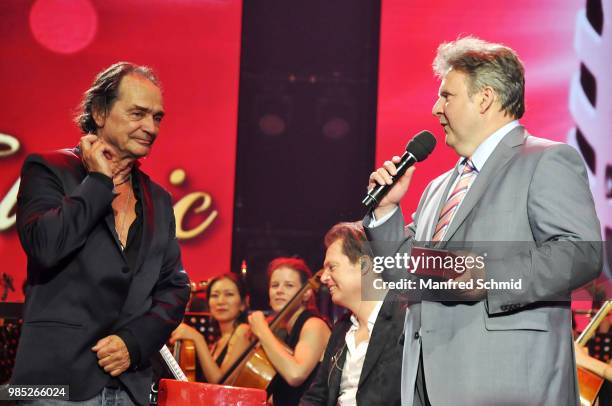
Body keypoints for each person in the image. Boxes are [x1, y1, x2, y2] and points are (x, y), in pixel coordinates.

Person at [365, 36, 602, 405]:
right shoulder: (437, 188)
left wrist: (491, 276)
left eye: (447, 96)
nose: (435, 109)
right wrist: (384, 212)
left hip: (504, 383)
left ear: (485, 97)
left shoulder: (545, 160)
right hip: (427, 382)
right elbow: (402, 275)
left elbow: (581, 253)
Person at [11, 62, 190, 405]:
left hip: (131, 387)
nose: (150, 127)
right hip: (51, 386)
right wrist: (98, 182)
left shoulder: (160, 200)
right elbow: (47, 246)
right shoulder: (47, 169)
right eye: (138, 113)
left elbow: (175, 288)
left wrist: (135, 342)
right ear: (99, 111)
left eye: (157, 117)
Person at [300, 222, 405, 406]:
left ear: (364, 265)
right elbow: (316, 397)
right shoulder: (342, 329)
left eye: (331, 267)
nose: (323, 277)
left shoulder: (405, 320)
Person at [248, 257, 331, 405]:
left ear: (306, 293)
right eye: (274, 285)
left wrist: (262, 330)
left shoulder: (314, 325)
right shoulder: (284, 332)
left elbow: (295, 374)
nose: (279, 291)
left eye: (289, 285)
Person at [169, 273, 250, 383]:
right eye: (215, 295)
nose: (221, 301)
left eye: (229, 294)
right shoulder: (218, 342)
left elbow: (221, 384)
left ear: (243, 304)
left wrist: (198, 338)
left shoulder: (243, 331)